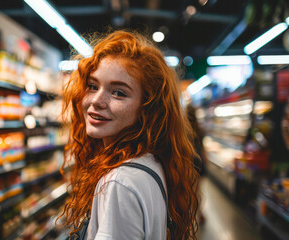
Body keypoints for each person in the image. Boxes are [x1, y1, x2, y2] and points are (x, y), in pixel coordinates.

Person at [60, 30, 199, 240]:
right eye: (92, 86)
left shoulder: (119, 182)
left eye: (118, 92)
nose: (96, 100)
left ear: (147, 108)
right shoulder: (151, 162)